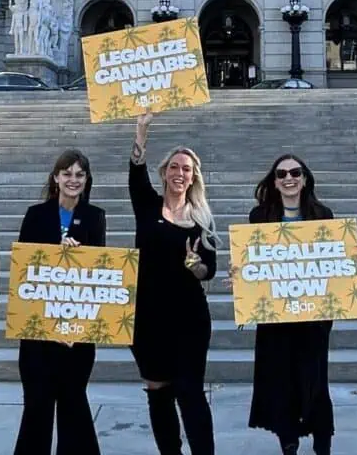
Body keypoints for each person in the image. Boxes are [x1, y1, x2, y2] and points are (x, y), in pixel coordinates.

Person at [129, 112, 218, 455]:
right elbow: (136, 171)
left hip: (189, 319)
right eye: (174, 167)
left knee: (190, 392)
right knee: (158, 392)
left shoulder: (201, 220)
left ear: (194, 177)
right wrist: (142, 129)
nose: (180, 173)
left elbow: (209, 270)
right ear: (164, 172)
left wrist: (195, 266)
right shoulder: (147, 206)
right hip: (147, 318)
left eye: (187, 169)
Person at [13, 148, 106, 455]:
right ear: (55, 178)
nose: (73, 180)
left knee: (73, 406)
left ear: (87, 179)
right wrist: (56, 249)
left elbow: (99, 272)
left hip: (75, 335)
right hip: (38, 333)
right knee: (37, 407)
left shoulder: (95, 217)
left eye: (79, 174)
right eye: (67, 174)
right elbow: (25, 269)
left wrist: (79, 256)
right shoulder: (36, 215)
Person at [247, 154, 334, 455]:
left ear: (305, 178)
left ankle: (322, 440)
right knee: (280, 379)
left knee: (315, 380)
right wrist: (242, 275)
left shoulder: (322, 214)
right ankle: (288, 441)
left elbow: (332, 258)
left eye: (295, 173)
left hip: (314, 313)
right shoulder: (260, 216)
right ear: (274, 182)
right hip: (275, 313)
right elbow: (253, 258)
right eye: (281, 174)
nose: (289, 178)